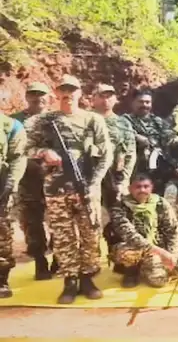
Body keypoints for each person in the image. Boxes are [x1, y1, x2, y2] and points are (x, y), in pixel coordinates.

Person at [25, 75, 113, 304]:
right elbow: (25, 148)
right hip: (56, 189)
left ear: (79, 92)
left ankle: (87, 278)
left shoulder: (93, 119)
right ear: (56, 93)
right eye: (63, 90)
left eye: (72, 89)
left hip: (87, 187)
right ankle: (70, 281)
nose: (68, 94)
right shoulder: (43, 121)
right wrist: (43, 152)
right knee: (63, 236)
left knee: (90, 234)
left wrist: (95, 183)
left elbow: (106, 155)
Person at [106, 174, 178, 288]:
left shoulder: (160, 203)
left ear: (151, 187)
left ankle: (147, 267)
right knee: (127, 253)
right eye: (138, 187)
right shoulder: (119, 207)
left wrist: (172, 256)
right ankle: (131, 271)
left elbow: (172, 231)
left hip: (156, 246)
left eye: (146, 186)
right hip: (132, 247)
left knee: (158, 281)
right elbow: (131, 236)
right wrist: (162, 253)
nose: (142, 190)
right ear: (130, 188)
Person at [12, 82, 54, 280]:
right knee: (32, 222)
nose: (38, 98)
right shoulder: (15, 121)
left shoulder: (56, 119)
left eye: (42, 94)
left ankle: (59, 258)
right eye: (33, 94)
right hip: (27, 179)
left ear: (49, 97)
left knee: (59, 220)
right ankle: (40, 260)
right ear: (27, 96)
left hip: (55, 179)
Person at [93, 84, 136, 222]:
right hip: (92, 176)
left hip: (115, 176)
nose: (106, 100)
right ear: (93, 99)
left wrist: (124, 180)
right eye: (102, 96)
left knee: (120, 217)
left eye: (109, 97)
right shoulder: (86, 119)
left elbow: (130, 153)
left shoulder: (123, 123)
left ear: (115, 99)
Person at [122, 89, 176, 193]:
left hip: (157, 166)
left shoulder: (158, 121)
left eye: (147, 102)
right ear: (133, 103)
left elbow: (169, 138)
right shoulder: (125, 120)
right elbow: (123, 133)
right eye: (141, 102)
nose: (144, 105)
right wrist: (136, 137)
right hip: (135, 166)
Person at [0, 113, 27, 297]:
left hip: (1, 187)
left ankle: (1, 279)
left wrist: (11, 183)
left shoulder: (10, 125)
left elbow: (18, 157)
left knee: (2, 237)